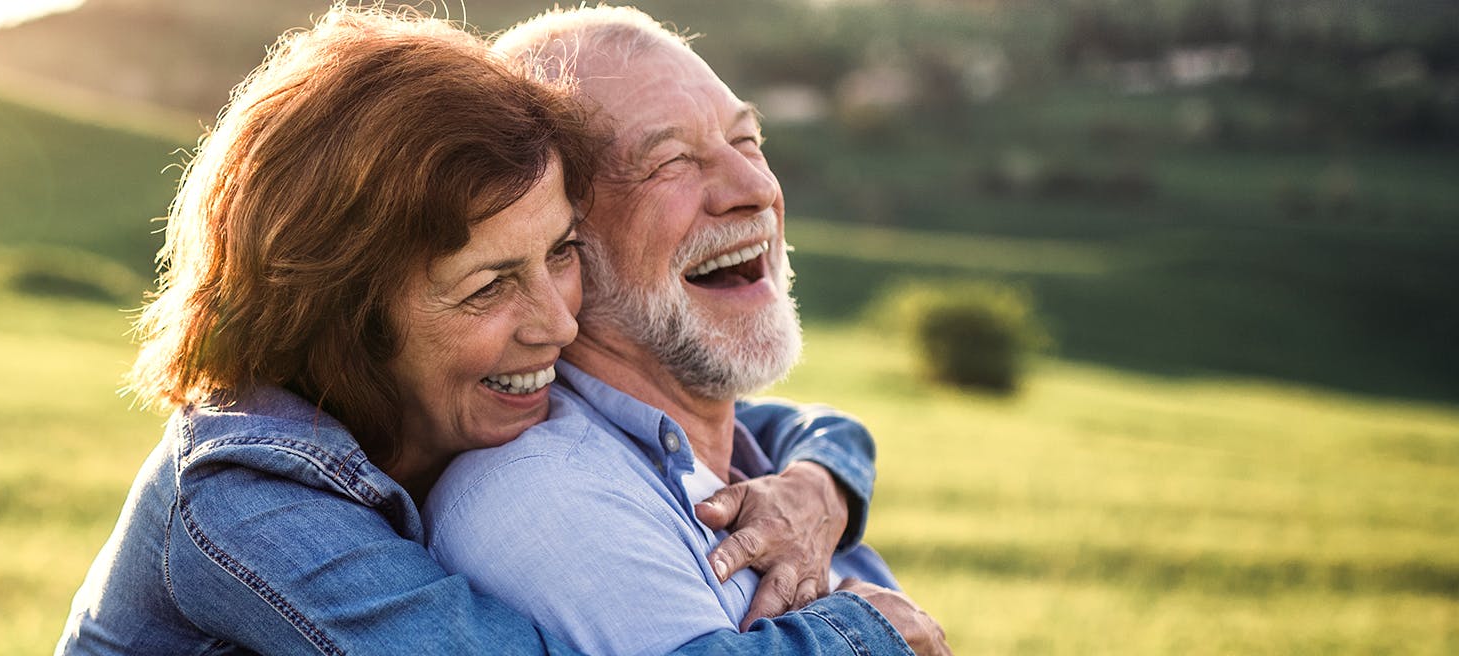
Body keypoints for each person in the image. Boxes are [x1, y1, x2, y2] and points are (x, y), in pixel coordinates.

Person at [57, 6, 913, 654]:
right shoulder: (245, 500)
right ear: (347, 317)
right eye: (488, 287)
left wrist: (820, 486)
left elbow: (778, 426)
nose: (556, 320)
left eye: (563, 252)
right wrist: (862, 632)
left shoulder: (451, 407)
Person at [422, 7, 952, 656]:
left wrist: (826, 476)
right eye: (671, 161)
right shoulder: (541, 494)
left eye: (748, 142)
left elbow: (814, 428)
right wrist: (878, 637)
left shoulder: (759, 468)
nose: (754, 187)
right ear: (557, 237)